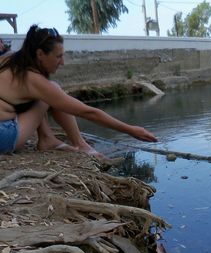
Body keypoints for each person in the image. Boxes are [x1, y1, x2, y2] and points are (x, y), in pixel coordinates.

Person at [0, 25, 157, 156]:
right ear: (40, 54)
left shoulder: (11, 59)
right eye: (58, 56)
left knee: (47, 91)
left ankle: (48, 138)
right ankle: (76, 143)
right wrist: (131, 130)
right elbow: (88, 113)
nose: (62, 62)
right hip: (5, 136)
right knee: (52, 89)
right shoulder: (33, 79)